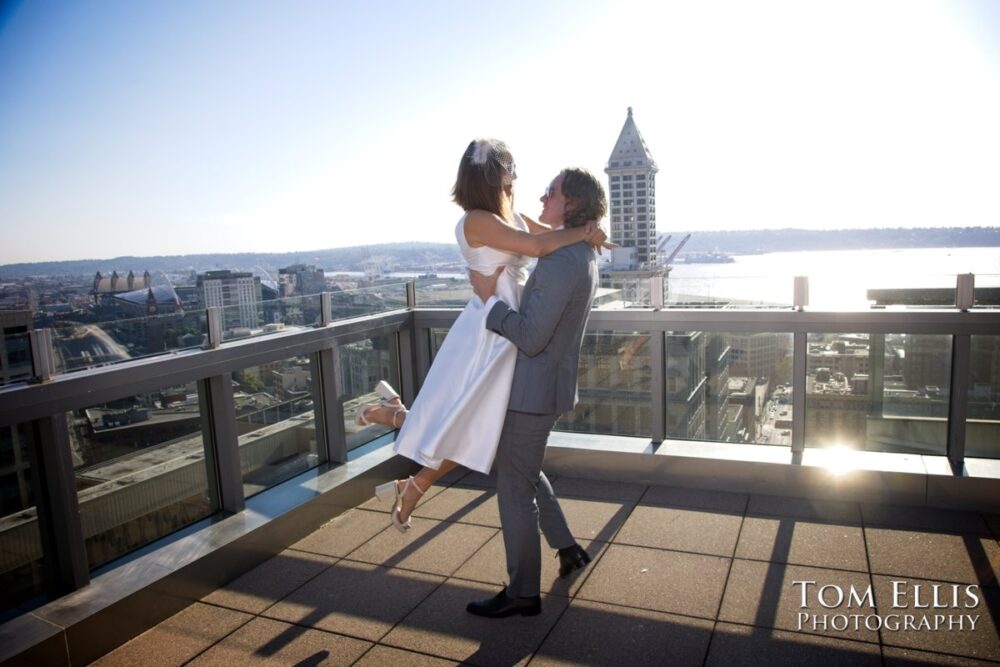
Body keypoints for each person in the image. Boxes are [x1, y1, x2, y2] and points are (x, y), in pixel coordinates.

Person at [361, 138, 610, 533]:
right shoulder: (477, 220)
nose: (516, 175)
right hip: (489, 331)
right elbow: (540, 244)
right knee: (471, 421)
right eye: (510, 168)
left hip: (510, 324)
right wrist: (584, 233)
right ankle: (394, 428)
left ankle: (402, 455)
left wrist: (585, 231)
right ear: (493, 176)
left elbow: (551, 234)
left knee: (474, 423)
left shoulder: (511, 216)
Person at [464, 166, 607, 618]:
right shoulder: (578, 250)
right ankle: (567, 548)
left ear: (573, 203)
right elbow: (534, 229)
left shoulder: (564, 260)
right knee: (523, 471)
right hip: (544, 387)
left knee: (514, 490)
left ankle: (523, 592)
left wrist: (489, 302)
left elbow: (530, 336)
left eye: (552, 193)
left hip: (532, 391)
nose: (543, 198)